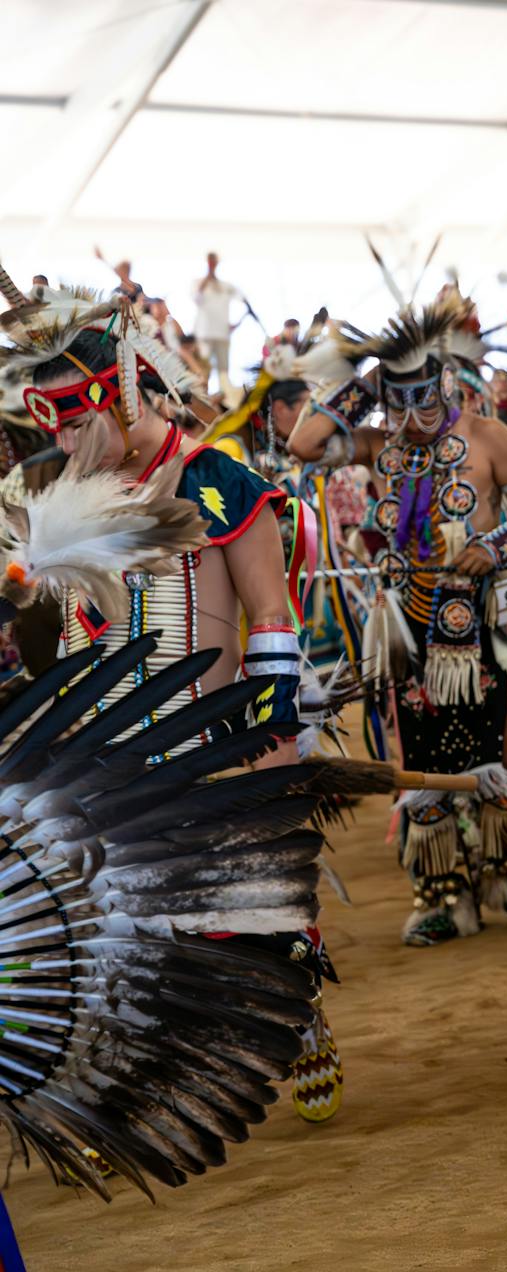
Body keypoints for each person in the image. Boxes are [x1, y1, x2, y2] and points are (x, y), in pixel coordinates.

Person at [2, 273, 344, 1123]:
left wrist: (272, 742)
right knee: (132, 922)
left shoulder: (215, 481)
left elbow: (270, 611)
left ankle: (296, 1010)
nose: (70, 443)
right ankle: (161, 1066)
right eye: (58, 426)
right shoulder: (62, 502)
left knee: (248, 909)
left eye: (80, 420)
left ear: (120, 391)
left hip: (216, 738)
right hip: (109, 752)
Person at [289, 290, 507, 944]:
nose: (413, 415)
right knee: (421, 755)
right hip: (407, 630)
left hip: (481, 628)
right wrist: (363, 383)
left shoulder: (487, 436)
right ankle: (440, 892)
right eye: (397, 399)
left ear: (446, 382)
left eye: (424, 397)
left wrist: (492, 546)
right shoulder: (378, 445)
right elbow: (302, 442)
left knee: (500, 747)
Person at [193, 252, 246, 395]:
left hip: (223, 334)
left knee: (223, 370)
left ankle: (224, 397)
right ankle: (203, 395)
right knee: (203, 368)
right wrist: (207, 277)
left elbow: (244, 300)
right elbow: (196, 298)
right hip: (204, 334)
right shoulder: (198, 282)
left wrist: (237, 323)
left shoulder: (226, 286)